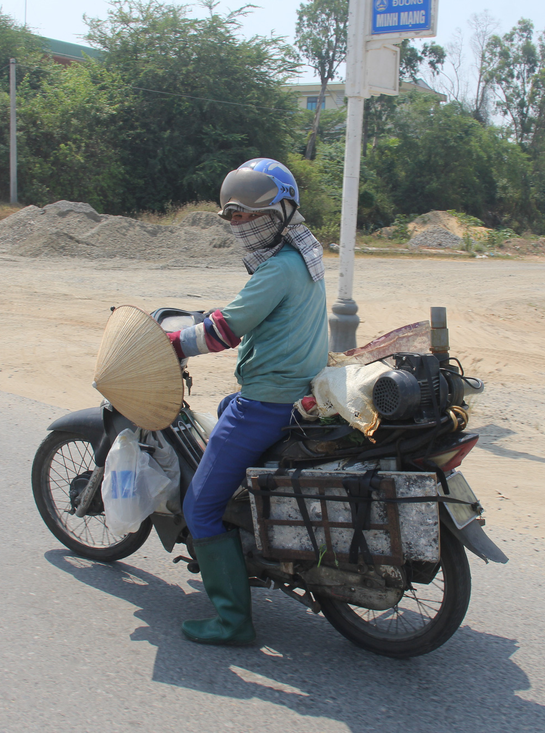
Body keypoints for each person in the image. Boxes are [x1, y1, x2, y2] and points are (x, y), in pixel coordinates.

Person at [166, 157, 328, 646]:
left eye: (249, 215)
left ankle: (232, 621)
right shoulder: (305, 254)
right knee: (219, 411)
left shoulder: (277, 270)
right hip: (297, 391)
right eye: (232, 217)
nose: (240, 225)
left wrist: (168, 344)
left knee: (199, 510)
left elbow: (224, 331)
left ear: (280, 213)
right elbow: (253, 311)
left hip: (267, 402)